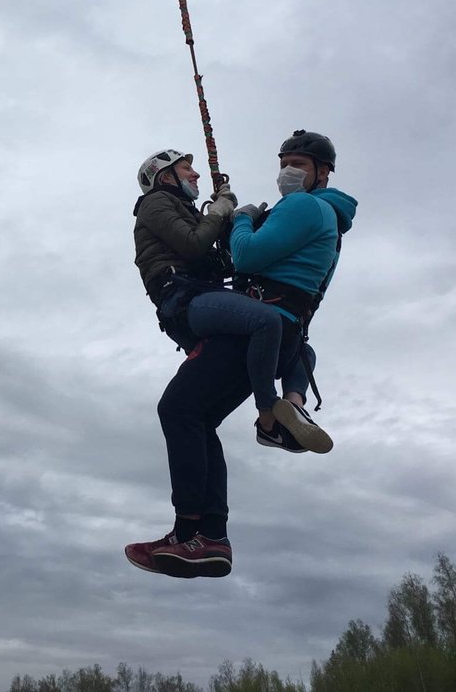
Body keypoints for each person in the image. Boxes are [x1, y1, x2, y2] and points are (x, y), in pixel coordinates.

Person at [126, 131, 357, 579]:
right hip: (235, 311)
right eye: (285, 162)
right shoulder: (328, 216)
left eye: (299, 164)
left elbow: (242, 256)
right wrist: (227, 220)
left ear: (322, 173)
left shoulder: (304, 207)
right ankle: (211, 532)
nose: (288, 171)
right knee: (194, 415)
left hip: (249, 317)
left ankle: (197, 528)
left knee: (179, 411)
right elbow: (222, 254)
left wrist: (237, 220)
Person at [132, 150, 324, 449]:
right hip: (181, 297)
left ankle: (294, 404)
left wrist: (240, 224)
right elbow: (193, 245)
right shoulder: (155, 202)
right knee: (266, 319)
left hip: (204, 295)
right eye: (186, 169)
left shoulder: (189, 211)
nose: (195, 175)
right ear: (165, 177)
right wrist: (218, 213)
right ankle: (268, 417)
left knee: (300, 348)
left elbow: (223, 259)